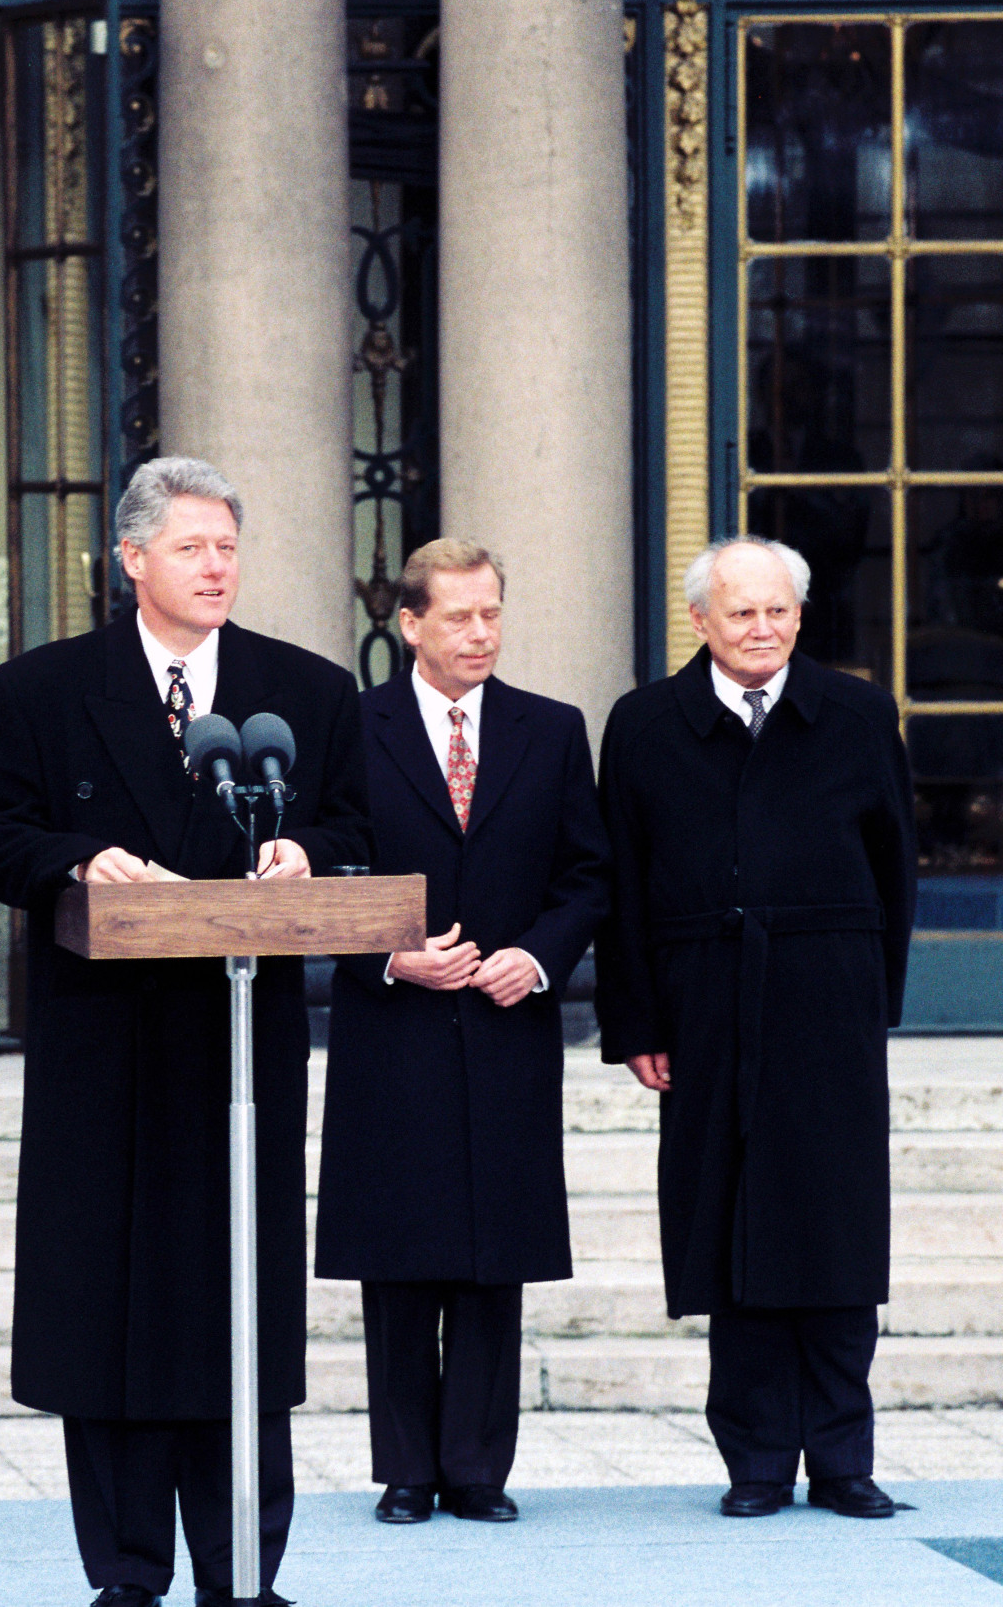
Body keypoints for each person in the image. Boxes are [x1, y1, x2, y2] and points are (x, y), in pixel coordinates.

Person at [0, 456, 373, 1607]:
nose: (215, 567)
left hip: (240, 1039)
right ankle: (129, 1569)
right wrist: (77, 857)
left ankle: (243, 1571)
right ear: (131, 558)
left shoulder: (305, 691)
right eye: (191, 547)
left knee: (240, 1304)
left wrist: (307, 848)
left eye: (228, 547)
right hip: (104, 1043)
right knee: (110, 1308)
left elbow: (357, 820)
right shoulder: (40, 689)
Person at [593, 535, 916, 1521]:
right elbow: (622, 883)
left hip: (828, 1005)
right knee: (731, 1233)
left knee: (836, 1232)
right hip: (704, 1004)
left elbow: (896, 866)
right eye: (742, 612)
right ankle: (758, 1460)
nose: (763, 628)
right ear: (700, 620)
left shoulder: (858, 712)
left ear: (801, 615)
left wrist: (874, 1001)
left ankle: (844, 1456)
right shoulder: (645, 724)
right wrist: (636, 1019)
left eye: (779, 610)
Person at [314, 539, 611, 1527]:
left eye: (492, 613)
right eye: (460, 616)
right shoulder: (352, 729)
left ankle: (479, 1467)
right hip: (391, 1030)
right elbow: (320, 872)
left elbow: (588, 875)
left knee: (495, 1254)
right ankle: (406, 1467)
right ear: (410, 624)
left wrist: (538, 957)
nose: (482, 633)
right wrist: (390, 957)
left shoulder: (551, 729)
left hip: (504, 1025)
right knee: (399, 1254)